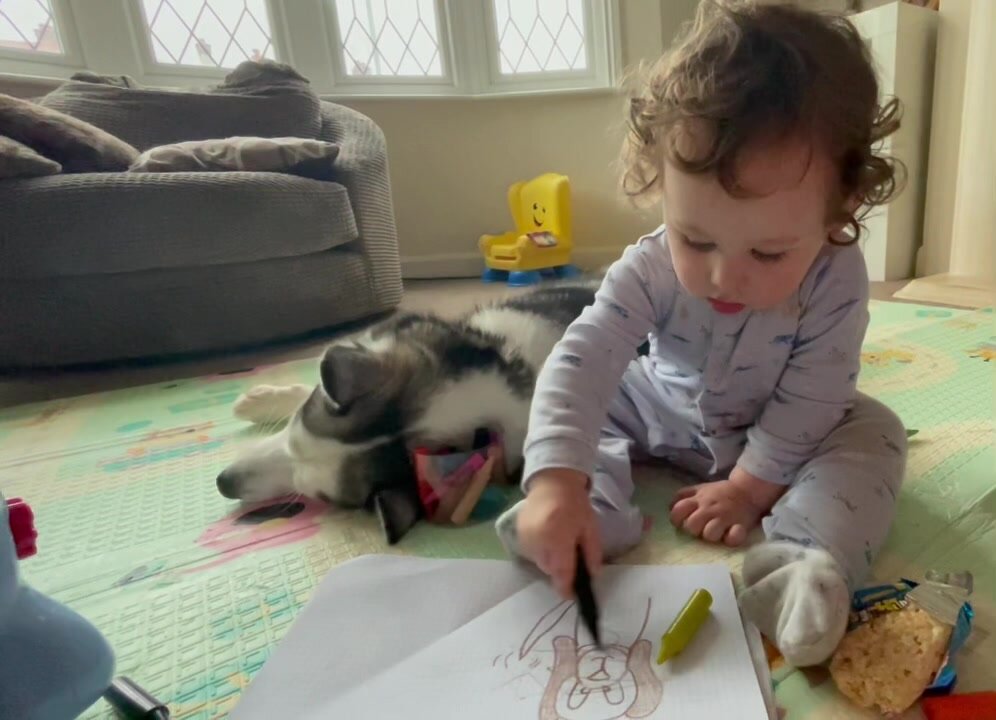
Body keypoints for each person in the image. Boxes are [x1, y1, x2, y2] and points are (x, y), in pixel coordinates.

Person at [496, 0, 908, 667]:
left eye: (769, 254)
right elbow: (585, 355)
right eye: (696, 237)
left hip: (782, 425)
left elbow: (814, 393)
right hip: (662, 405)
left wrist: (751, 487)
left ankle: (802, 563)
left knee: (874, 433)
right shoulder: (651, 267)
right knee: (590, 409)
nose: (722, 276)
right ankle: (588, 515)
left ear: (841, 209)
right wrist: (556, 480)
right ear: (660, 184)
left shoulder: (836, 276)